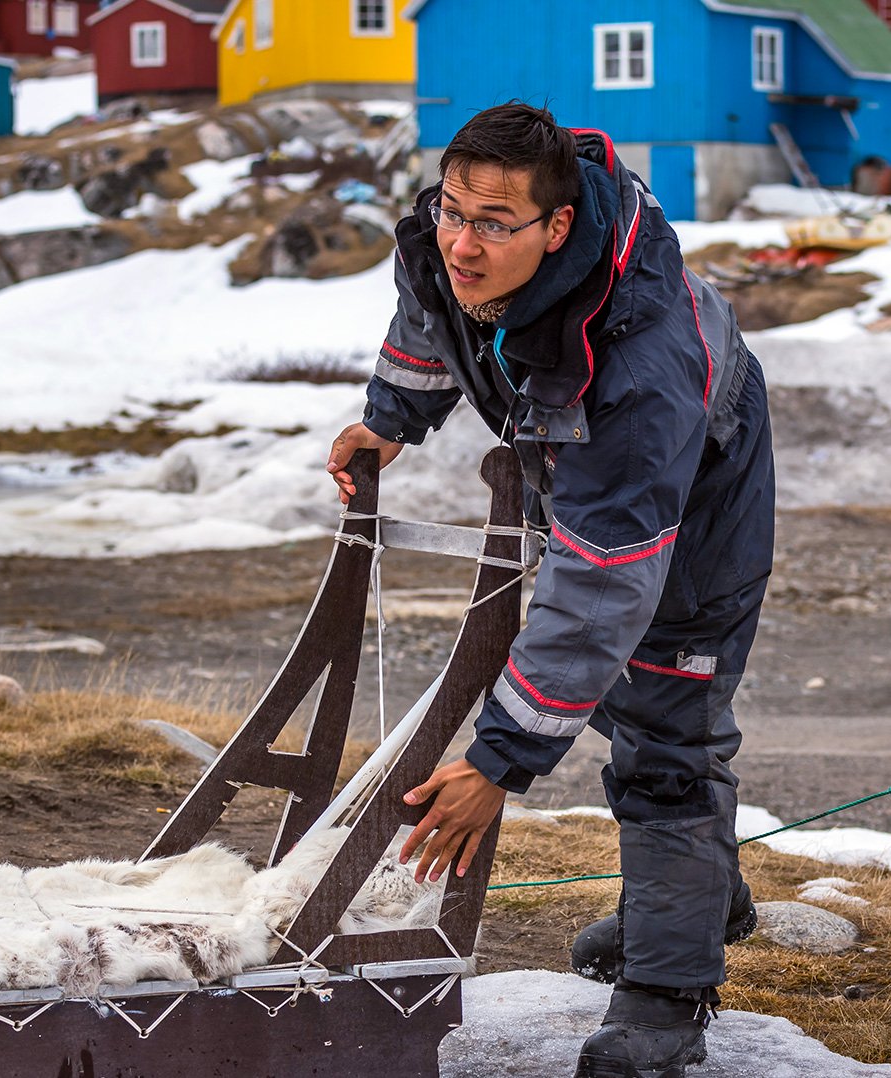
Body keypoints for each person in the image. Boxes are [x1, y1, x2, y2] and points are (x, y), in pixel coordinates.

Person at [326, 102, 774, 1078]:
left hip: (698, 492)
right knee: (616, 696)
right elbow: (433, 306)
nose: (463, 240)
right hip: (581, 451)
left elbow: (599, 585)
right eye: (452, 209)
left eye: (493, 223)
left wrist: (497, 762)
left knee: (665, 722)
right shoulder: (456, 240)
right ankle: (697, 894)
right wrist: (394, 414)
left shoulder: (640, 370)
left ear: (556, 226)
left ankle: (666, 994)